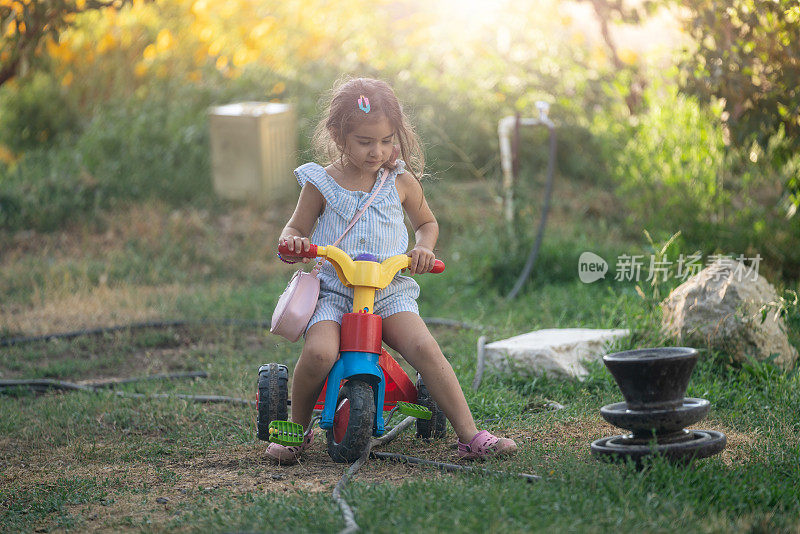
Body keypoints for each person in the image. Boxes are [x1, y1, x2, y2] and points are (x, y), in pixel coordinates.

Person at [269, 76, 516, 463]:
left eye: (386, 141)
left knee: (425, 348)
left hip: (389, 289)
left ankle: (469, 434)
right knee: (318, 352)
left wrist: (423, 248)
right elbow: (295, 228)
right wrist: (294, 242)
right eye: (365, 142)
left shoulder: (399, 180)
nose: (377, 152)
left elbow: (427, 224)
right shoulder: (320, 181)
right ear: (338, 135)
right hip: (335, 291)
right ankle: (296, 432)